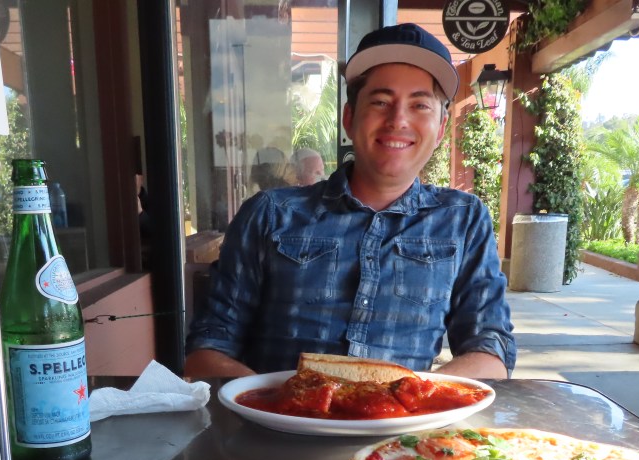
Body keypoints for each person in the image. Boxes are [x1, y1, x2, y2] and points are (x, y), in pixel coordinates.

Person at [185, 23, 516, 380]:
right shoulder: (271, 214)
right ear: (349, 118)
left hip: (404, 429)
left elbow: (491, 347)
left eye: (419, 104)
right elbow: (207, 348)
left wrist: (418, 399)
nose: (398, 119)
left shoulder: (463, 220)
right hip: (276, 427)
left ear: (439, 128)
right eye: (380, 101)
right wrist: (279, 407)